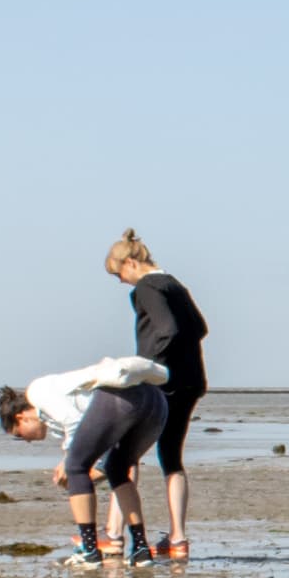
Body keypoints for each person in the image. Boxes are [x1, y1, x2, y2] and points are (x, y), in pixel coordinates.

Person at [0, 356, 172, 565]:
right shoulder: (53, 419)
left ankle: (89, 551)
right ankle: (141, 550)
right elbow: (103, 446)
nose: (26, 441)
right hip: (155, 401)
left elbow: (74, 421)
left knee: (75, 467)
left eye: (19, 434)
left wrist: (68, 461)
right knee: (117, 468)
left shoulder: (37, 391)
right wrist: (93, 468)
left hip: (120, 399)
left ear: (21, 417)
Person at [106, 234, 209, 558]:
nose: (121, 282)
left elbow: (168, 329)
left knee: (125, 455)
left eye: (119, 274)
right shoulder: (175, 285)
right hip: (191, 380)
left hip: (161, 383)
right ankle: (177, 539)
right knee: (170, 456)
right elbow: (200, 328)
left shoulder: (148, 288)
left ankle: (113, 534)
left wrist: (146, 367)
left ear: (131, 263)